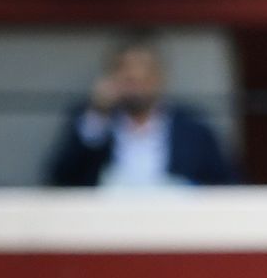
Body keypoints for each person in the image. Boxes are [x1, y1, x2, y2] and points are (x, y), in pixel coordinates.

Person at [47, 34, 238, 187]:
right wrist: (98, 116)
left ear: (161, 77)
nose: (136, 79)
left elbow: (226, 185)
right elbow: (62, 180)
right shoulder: (91, 122)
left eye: (145, 72)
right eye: (127, 73)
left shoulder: (193, 128)